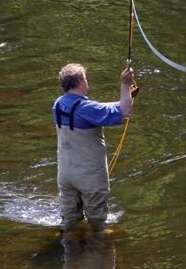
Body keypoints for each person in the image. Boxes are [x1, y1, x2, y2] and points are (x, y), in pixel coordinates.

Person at [53, 63, 134, 232]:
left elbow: (94, 110)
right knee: (97, 221)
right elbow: (124, 111)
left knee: (69, 219)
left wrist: (126, 96)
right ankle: (97, 249)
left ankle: (68, 248)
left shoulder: (59, 104)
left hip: (66, 174)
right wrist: (125, 84)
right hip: (88, 176)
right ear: (80, 81)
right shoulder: (87, 109)